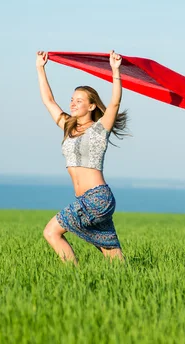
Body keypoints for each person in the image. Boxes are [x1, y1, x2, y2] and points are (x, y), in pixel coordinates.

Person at [36, 50, 128, 264]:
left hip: (97, 198)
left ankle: (76, 279)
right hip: (86, 199)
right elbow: (49, 101)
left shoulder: (99, 128)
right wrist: (40, 68)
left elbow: (114, 104)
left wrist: (116, 71)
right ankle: (130, 286)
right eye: (72, 100)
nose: (73, 103)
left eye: (79, 100)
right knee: (113, 257)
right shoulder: (67, 126)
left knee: (51, 232)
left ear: (92, 106)